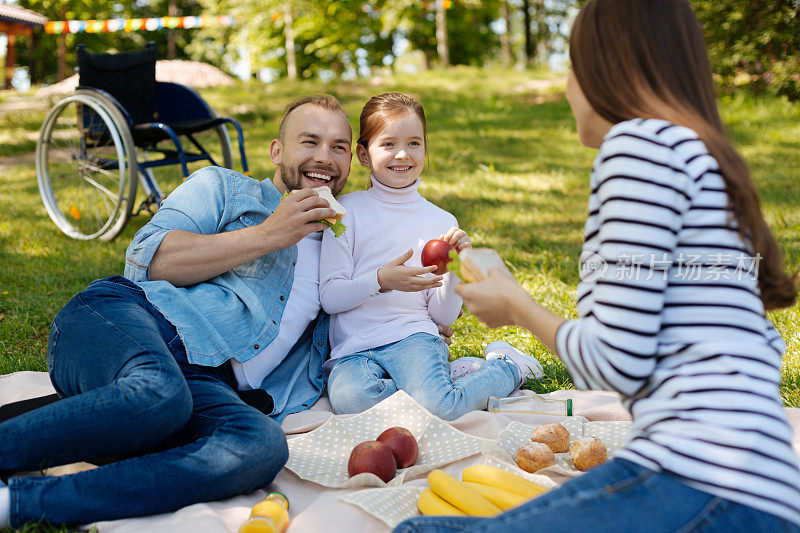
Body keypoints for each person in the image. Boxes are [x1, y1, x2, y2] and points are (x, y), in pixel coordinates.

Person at [395, 1, 800, 531]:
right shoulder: (704, 159)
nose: (566, 86)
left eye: (571, 64)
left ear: (604, 68)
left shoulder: (639, 148)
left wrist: (514, 304)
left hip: (701, 484)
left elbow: (617, 361)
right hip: (761, 487)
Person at [0, 95, 359, 528]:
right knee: (160, 395)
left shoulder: (346, 250)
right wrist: (268, 234)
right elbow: (146, 259)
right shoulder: (225, 189)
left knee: (261, 445)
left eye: (339, 146)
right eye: (310, 141)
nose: (324, 157)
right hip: (129, 318)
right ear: (277, 151)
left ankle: (16, 504)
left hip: (207, 384)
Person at [319, 93, 543, 421]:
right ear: (364, 155)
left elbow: (443, 317)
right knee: (350, 402)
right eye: (388, 144)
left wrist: (456, 269)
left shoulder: (441, 221)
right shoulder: (346, 213)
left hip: (413, 337)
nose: (402, 154)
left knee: (440, 408)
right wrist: (381, 280)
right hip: (353, 350)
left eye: (414, 143)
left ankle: (507, 367)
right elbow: (330, 297)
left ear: (425, 148)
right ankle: (448, 381)